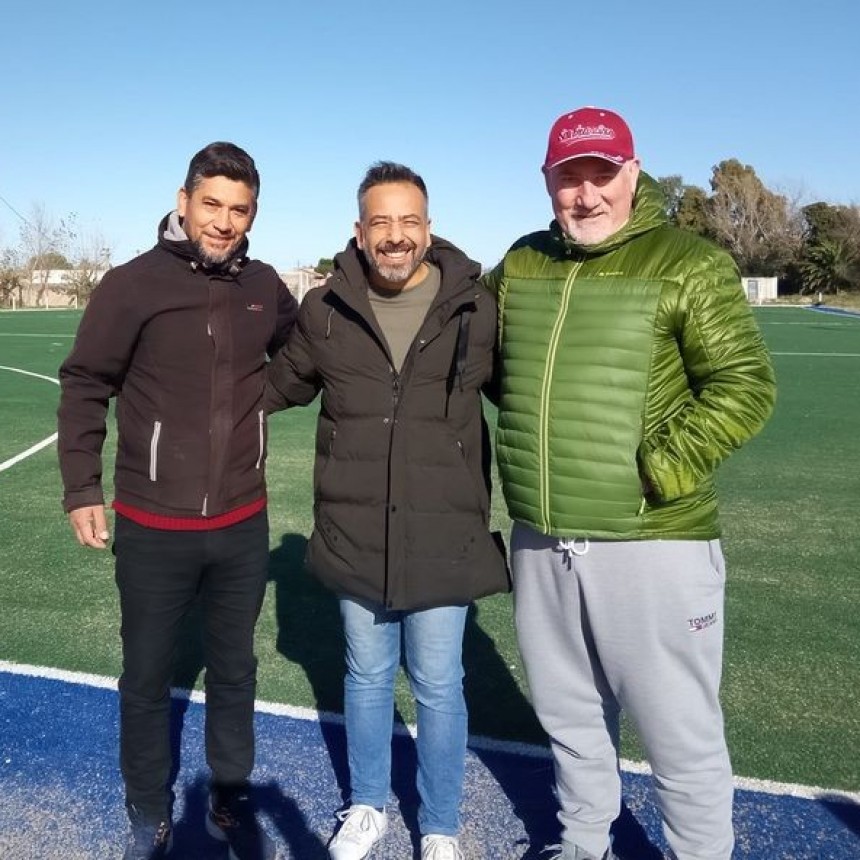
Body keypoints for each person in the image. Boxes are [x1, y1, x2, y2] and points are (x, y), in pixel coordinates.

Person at [482, 107, 776, 860]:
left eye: (600, 175)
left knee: (679, 733)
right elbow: (483, 359)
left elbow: (743, 386)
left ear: (632, 173)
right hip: (542, 539)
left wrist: (654, 472)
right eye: (568, 178)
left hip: (651, 541)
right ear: (547, 182)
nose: (585, 195)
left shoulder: (687, 261)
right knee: (571, 719)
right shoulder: (520, 263)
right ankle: (583, 844)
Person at [57, 142, 298, 860]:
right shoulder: (131, 284)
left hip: (241, 521)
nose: (224, 222)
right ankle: (146, 808)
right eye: (213, 204)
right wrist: (81, 487)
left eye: (240, 209)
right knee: (146, 674)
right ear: (184, 199)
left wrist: (263, 404)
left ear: (253, 213)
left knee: (234, 667)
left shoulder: (263, 286)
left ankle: (230, 785)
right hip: (153, 524)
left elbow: (300, 352)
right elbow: (84, 382)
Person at [266, 161, 510, 860]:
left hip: (445, 535)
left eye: (408, 222)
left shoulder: (477, 308)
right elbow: (278, 387)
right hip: (356, 533)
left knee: (439, 686)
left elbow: (525, 402)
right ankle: (368, 805)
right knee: (367, 679)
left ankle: (439, 825)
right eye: (381, 223)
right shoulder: (325, 311)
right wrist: (191, 404)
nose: (395, 237)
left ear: (428, 230)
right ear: (359, 230)